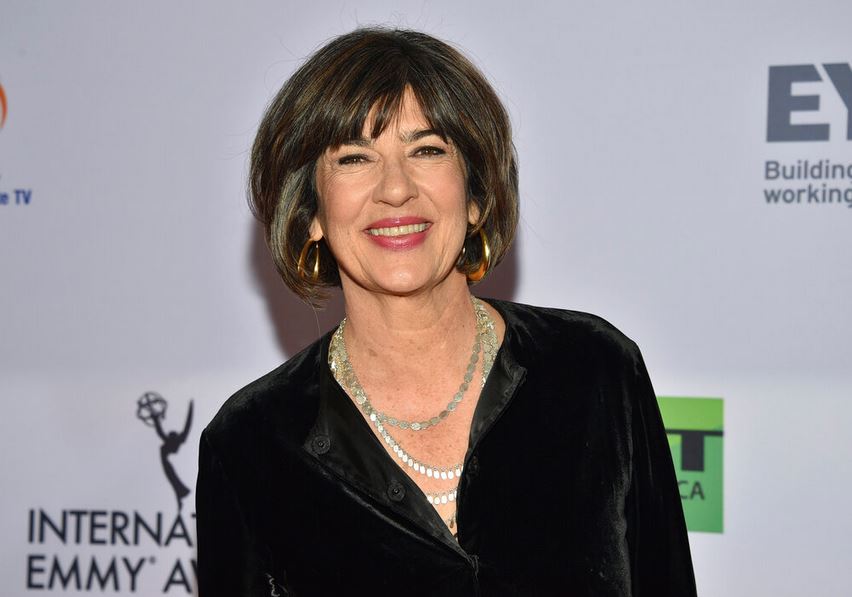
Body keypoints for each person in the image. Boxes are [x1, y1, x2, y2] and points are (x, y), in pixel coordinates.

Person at [196, 27, 696, 596]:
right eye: (355, 158)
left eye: (427, 150)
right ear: (309, 212)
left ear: (476, 195)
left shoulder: (594, 372)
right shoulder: (252, 444)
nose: (395, 189)